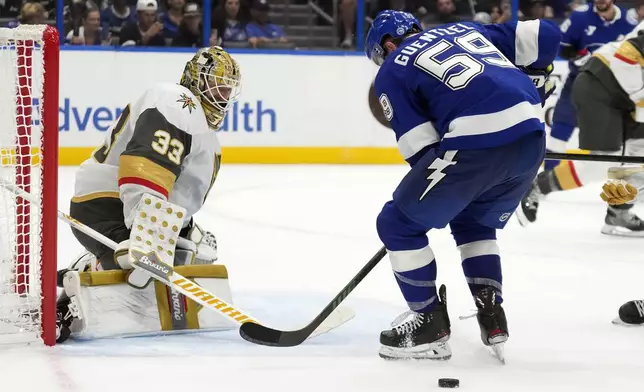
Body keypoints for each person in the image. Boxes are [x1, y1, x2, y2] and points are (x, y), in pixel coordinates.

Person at [365, 10, 560, 361]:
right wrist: (538, 75)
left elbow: (422, 153)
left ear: (389, 46)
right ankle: (492, 314)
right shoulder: (465, 30)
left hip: (477, 144)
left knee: (397, 224)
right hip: (532, 138)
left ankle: (428, 325)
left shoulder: (393, 67)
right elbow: (545, 34)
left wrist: (433, 202)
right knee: (475, 222)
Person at [55, 46, 242, 343]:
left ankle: (105, 259)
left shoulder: (208, 138)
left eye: (226, 91)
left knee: (194, 256)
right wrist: (149, 233)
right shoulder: (178, 103)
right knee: (141, 274)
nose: (220, 97)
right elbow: (144, 166)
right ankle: (87, 272)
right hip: (105, 204)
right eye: (215, 87)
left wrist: (181, 232)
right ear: (194, 80)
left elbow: (179, 195)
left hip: (138, 213)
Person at [518, 21, 644, 236]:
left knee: (639, 154)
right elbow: (628, 52)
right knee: (604, 161)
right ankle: (538, 186)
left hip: (625, 92)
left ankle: (619, 211)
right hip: (602, 84)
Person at [544, 0, 637, 172]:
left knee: (624, 133)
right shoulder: (580, 16)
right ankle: (547, 176)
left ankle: (624, 179)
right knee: (561, 126)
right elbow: (561, 45)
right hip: (580, 81)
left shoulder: (629, 21)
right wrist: (576, 56)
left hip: (615, 88)